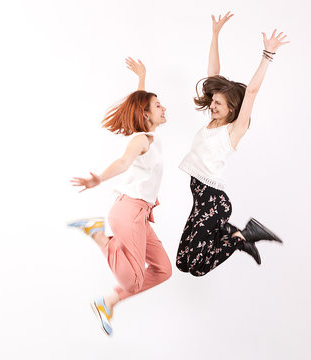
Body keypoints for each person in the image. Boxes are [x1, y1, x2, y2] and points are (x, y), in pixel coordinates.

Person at [176, 12, 289, 276]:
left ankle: (243, 236)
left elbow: (251, 92)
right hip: (200, 199)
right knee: (183, 262)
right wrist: (215, 34)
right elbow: (212, 74)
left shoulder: (233, 131)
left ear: (232, 109)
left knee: (198, 268)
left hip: (213, 201)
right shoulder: (213, 122)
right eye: (212, 101)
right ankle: (237, 232)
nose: (212, 106)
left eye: (217, 104)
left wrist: (268, 55)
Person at [68, 58, 171, 336]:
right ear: (148, 114)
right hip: (129, 212)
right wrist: (98, 179)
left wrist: (142, 78)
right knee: (134, 282)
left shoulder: (149, 135)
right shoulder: (140, 140)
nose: (164, 108)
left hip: (138, 213)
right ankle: (99, 235)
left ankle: (108, 302)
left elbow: (141, 105)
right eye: (158, 105)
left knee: (163, 270)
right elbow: (124, 162)